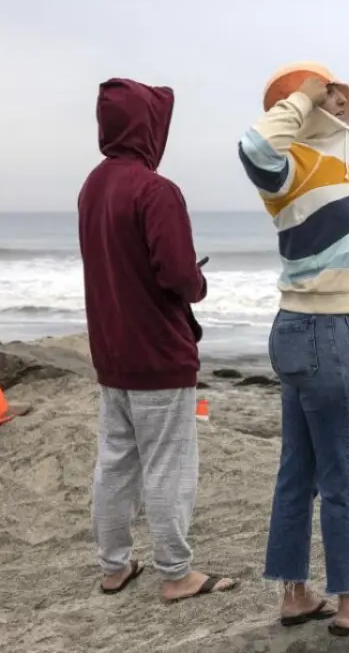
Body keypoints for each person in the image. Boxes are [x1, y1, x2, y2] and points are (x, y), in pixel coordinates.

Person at [237, 62, 349, 636]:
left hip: (305, 331)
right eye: (325, 91)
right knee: (344, 474)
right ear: (299, 106)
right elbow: (254, 145)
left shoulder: (342, 156)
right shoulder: (286, 166)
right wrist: (303, 94)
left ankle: (296, 596)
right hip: (329, 331)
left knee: (299, 470)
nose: (335, 96)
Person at [78, 77, 238, 601]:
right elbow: (177, 277)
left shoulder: (92, 186)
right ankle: (176, 574)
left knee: (115, 461)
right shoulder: (156, 190)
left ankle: (113, 566)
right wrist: (198, 280)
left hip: (111, 350)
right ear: (149, 127)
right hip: (158, 352)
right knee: (169, 464)